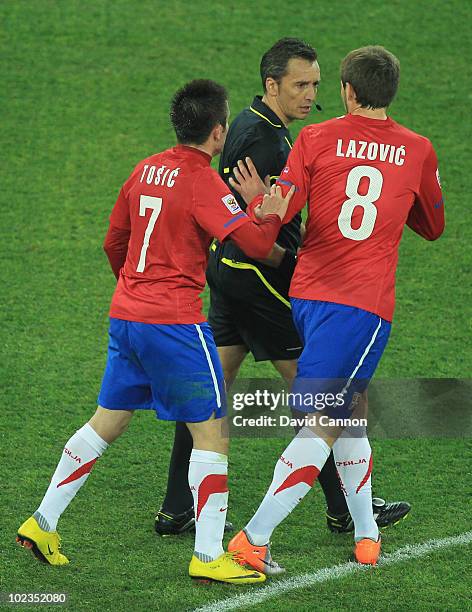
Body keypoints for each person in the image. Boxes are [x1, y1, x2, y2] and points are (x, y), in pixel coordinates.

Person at [16, 79, 295, 584]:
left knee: (109, 420)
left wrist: (136, 290)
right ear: (217, 131)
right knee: (212, 431)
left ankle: (43, 520)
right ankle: (209, 557)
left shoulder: (144, 169)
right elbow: (254, 246)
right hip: (174, 326)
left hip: (127, 317)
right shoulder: (203, 182)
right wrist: (265, 209)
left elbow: (113, 242)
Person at [155, 38, 410, 537]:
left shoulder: (252, 125)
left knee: (211, 393)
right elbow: (257, 237)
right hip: (259, 284)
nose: (311, 95)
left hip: (228, 278)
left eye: (315, 84)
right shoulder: (268, 142)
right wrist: (299, 263)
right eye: (300, 85)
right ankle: (347, 510)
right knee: (325, 397)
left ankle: (175, 505)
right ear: (271, 85)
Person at [226, 45, 445, 571]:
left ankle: (366, 534)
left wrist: (259, 201)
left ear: (348, 91)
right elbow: (434, 226)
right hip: (361, 307)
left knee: (352, 412)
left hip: (306, 296)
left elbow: (279, 212)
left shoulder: (314, 138)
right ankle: (253, 540)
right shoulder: (417, 150)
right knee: (324, 420)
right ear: (390, 92)